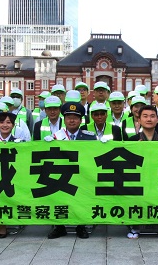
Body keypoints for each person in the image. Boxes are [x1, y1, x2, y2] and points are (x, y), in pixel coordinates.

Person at [45, 102, 96, 239]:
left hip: (82, 176)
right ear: (64, 119)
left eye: (75, 117)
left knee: (82, 199)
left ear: (80, 120)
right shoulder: (56, 137)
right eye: (68, 117)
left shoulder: (89, 137)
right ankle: (59, 227)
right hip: (62, 174)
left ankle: (81, 226)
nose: (72, 120)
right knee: (58, 199)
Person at [126, 105, 158, 239]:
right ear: (138, 120)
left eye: (152, 116)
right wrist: (136, 150)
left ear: (157, 120)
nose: (149, 119)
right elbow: (128, 163)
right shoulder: (132, 141)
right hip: (140, 178)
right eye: (145, 116)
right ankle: (135, 227)